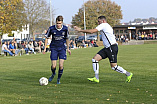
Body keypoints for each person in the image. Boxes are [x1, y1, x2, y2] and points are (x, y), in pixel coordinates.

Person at [74, 16, 133, 83]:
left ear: (103, 21)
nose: (98, 23)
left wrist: (80, 30)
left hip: (111, 47)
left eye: (99, 21)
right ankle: (96, 78)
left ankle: (128, 74)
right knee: (95, 59)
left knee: (114, 67)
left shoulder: (104, 25)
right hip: (107, 48)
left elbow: (92, 31)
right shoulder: (106, 26)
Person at [44, 15, 71, 84]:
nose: (58, 25)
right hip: (54, 48)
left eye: (60, 23)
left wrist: (68, 48)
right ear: (55, 22)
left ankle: (58, 79)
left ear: (62, 23)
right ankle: (53, 74)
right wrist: (45, 48)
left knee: (61, 65)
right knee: (54, 66)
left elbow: (67, 38)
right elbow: (47, 38)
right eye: (57, 23)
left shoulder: (65, 29)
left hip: (62, 48)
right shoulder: (51, 28)